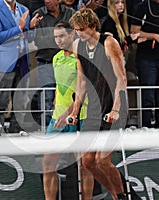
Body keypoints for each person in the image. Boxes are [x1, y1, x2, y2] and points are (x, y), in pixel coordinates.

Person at [68, 8, 129, 199]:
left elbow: (122, 80)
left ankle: (122, 196)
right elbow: (82, 80)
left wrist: (116, 109)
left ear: (93, 26)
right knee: (87, 161)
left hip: (114, 104)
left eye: (82, 29)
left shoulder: (109, 43)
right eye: (76, 29)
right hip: (95, 107)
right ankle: (116, 195)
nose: (79, 32)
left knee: (103, 161)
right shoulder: (78, 45)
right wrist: (75, 111)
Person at [42, 21, 90, 200]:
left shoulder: (81, 58)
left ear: (72, 35)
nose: (58, 40)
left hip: (80, 116)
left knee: (84, 165)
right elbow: (60, 86)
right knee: (48, 164)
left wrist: (69, 112)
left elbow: (82, 89)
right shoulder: (56, 58)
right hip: (58, 118)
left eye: (61, 36)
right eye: (55, 37)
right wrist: (57, 106)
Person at [0, 0, 42, 133]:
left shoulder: (24, 9)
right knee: (1, 102)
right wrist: (20, 28)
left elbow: (29, 38)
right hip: (4, 63)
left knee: (21, 103)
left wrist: (32, 27)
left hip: (23, 61)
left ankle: (17, 133)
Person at [130, 0, 159, 128]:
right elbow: (134, 32)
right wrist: (155, 36)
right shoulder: (141, 7)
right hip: (147, 58)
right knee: (148, 97)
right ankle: (147, 128)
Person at [32, 0, 75, 128]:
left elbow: (76, 34)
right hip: (46, 62)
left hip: (69, 61)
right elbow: (39, 41)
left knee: (70, 95)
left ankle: (69, 128)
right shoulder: (38, 15)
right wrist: (63, 36)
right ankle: (47, 132)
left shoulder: (70, 13)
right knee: (46, 100)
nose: (47, 1)